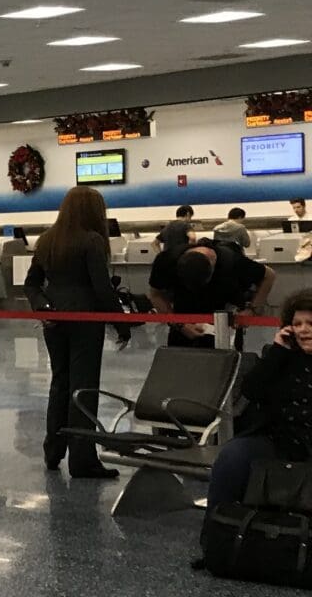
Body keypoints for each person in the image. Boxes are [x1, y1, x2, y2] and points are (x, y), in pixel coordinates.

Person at [24, 187, 128, 480]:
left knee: (60, 383)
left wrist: (43, 307)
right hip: (85, 319)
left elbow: (31, 284)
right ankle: (83, 460)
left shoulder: (47, 240)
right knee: (83, 387)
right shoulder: (92, 240)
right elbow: (101, 289)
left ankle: (53, 451)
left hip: (54, 321)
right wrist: (121, 324)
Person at [206, 291, 312, 512]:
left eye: (310, 323)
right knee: (233, 456)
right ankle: (220, 527)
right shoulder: (283, 357)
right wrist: (277, 352)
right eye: (297, 324)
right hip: (279, 438)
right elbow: (251, 390)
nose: (303, 329)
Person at [150, 234, 274, 349]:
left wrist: (252, 309)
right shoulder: (166, 261)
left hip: (224, 324)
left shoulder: (232, 262)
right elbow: (156, 295)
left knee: (224, 365)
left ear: (212, 268)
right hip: (182, 322)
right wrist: (179, 324)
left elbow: (269, 275)